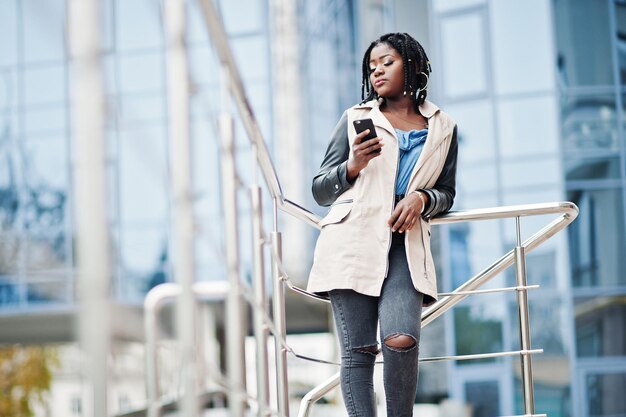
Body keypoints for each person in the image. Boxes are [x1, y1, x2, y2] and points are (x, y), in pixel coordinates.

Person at [307, 32, 458, 417]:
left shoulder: (443, 127)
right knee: (358, 351)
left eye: (387, 62)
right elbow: (321, 190)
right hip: (352, 241)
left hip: (405, 245)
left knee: (402, 338)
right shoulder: (356, 119)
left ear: (413, 65)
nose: (377, 71)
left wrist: (422, 198)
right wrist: (352, 165)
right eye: (372, 66)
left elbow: (446, 192)